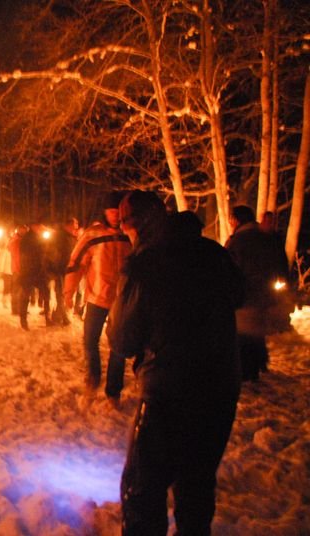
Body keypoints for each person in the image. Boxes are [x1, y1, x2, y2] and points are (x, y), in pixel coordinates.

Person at [107, 191, 244, 536]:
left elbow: (123, 341)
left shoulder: (144, 263)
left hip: (167, 396)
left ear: (134, 225)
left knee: (142, 492)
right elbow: (240, 295)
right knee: (196, 485)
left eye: (126, 227)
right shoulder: (214, 253)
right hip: (220, 389)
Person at [64, 192, 131, 401]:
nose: (115, 215)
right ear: (104, 212)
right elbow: (76, 263)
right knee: (90, 340)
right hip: (97, 298)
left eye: (117, 211)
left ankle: (114, 390)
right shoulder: (93, 235)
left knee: (118, 346)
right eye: (111, 211)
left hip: (122, 299)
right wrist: (69, 291)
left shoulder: (131, 234)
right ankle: (93, 378)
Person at [225, 205, 289, 380]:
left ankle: (248, 370)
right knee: (255, 330)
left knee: (244, 332)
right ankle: (258, 363)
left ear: (236, 220)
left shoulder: (238, 241)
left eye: (231, 219)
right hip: (263, 293)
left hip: (245, 293)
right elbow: (278, 262)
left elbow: (228, 267)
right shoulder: (265, 238)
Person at [16, 224, 43, 330]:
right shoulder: (28, 239)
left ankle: (49, 317)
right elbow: (27, 256)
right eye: (40, 227)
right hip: (29, 272)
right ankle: (23, 320)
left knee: (44, 292)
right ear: (34, 227)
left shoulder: (35, 238)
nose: (41, 229)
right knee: (25, 296)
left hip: (35, 271)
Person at [0, 234, 13, 308]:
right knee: (7, 287)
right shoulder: (5, 251)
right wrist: (1, 272)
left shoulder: (11, 250)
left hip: (13, 271)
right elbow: (2, 262)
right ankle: (4, 301)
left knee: (11, 287)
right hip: (7, 271)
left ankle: (10, 301)